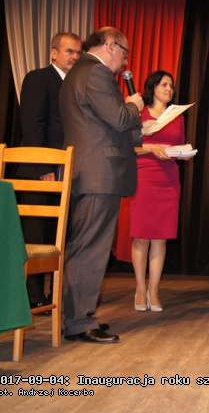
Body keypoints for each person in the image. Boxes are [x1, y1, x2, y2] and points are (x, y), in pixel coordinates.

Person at [59, 27, 151, 343]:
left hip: (88, 171)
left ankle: (76, 316)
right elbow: (119, 118)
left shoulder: (78, 72)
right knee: (91, 248)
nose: (125, 62)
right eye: (124, 53)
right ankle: (78, 322)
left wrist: (135, 127)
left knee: (84, 245)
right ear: (110, 44)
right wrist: (134, 105)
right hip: (98, 172)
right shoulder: (96, 73)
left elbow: (102, 123)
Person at [14, 32, 82, 310]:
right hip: (38, 171)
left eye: (78, 52)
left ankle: (56, 297)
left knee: (61, 236)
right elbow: (32, 125)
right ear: (53, 53)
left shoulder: (76, 84)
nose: (75, 57)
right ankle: (32, 298)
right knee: (35, 236)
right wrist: (43, 167)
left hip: (66, 169)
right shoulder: (38, 78)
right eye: (69, 51)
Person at [129, 71, 189, 313]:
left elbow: (179, 145)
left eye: (171, 86)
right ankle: (140, 288)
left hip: (169, 178)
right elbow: (127, 146)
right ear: (152, 87)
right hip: (144, 175)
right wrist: (151, 148)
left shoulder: (177, 117)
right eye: (164, 84)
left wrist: (184, 153)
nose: (169, 89)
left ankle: (153, 290)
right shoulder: (139, 113)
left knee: (161, 237)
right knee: (142, 235)